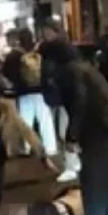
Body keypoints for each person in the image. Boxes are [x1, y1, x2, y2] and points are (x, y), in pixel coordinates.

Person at [41, 38, 108, 215]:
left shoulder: (68, 72)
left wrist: (72, 135)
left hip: (98, 127)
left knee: (92, 178)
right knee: (107, 177)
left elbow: (78, 102)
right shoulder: (82, 67)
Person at [2, 28, 57, 157]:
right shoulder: (39, 51)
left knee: (26, 122)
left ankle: (27, 147)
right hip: (41, 91)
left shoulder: (14, 55)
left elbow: (6, 72)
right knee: (45, 120)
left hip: (23, 92)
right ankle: (50, 147)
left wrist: (16, 81)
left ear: (19, 39)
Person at [39, 18, 82, 183]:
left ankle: (71, 165)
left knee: (65, 130)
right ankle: (74, 162)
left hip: (65, 94)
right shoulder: (50, 49)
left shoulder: (62, 49)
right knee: (61, 130)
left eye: (48, 31)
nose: (45, 34)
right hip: (57, 94)